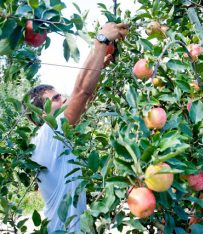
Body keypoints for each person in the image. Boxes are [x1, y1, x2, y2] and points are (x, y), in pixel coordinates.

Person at [25, 22, 128, 233]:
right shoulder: (48, 133)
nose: (63, 99)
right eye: (55, 99)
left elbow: (83, 100)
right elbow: (81, 93)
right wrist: (101, 41)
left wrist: (100, 65)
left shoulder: (53, 136)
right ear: (42, 114)